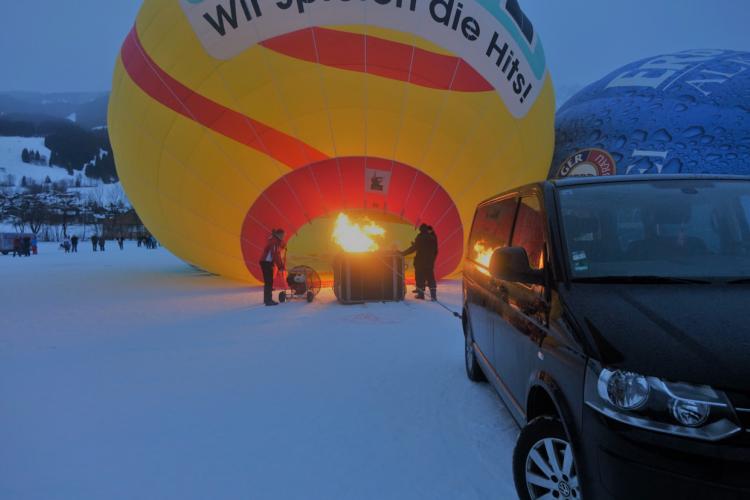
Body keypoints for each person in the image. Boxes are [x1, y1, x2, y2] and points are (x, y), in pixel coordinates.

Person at [401, 224, 438, 301]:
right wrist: (432, 260)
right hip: (429, 262)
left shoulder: (420, 237)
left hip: (420, 262)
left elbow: (413, 248)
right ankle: (433, 296)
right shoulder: (432, 238)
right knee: (431, 278)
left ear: (421, 230)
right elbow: (435, 251)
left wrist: (403, 253)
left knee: (420, 278)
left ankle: (421, 295)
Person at [259, 228, 286, 306]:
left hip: (266, 262)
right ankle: (268, 300)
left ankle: (266, 299)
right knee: (269, 281)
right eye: (283, 235)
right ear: (279, 235)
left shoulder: (274, 240)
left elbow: (277, 250)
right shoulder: (274, 242)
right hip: (266, 262)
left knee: (268, 281)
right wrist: (280, 266)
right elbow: (275, 255)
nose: (283, 237)